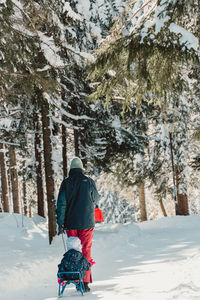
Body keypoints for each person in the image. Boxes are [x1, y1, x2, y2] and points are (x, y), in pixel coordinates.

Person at [56, 157, 100, 292]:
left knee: (74, 250)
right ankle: (85, 282)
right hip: (87, 222)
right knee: (86, 249)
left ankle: (76, 279)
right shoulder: (89, 181)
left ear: (71, 169)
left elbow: (61, 204)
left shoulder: (66, 183)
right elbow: (96, 199)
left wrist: (61, 223)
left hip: (71, 223)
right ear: (81, 169)